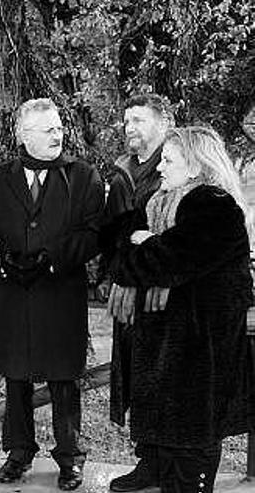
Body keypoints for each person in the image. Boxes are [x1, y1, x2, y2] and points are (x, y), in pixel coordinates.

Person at [107, 126, 254, 493]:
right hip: (172, 339)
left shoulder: (213, 206)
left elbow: (156, 262)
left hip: (199, 345)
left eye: (168, 160)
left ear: (195, 165)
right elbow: (127, 245)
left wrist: (141, 247)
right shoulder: (161, 203)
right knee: (168, 422)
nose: (159, 168)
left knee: (192, 434)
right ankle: (155, 468)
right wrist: (140, 246)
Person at [0, 98, 104, 491]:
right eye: (47, 129)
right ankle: (19, 452)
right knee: (15, 376)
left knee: (64, 377)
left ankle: (70, 456)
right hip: (12, 293)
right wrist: (3, 262)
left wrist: (52, 259)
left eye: (58, 128)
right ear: (23, 135)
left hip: (59, 291)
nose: (57, 134)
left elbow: (93, 231)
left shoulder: (82, 176)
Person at [101, 94, 175, 492]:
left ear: (164, 123)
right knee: (135, 375)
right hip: (127, 289)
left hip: (162, 291)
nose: (130, 127)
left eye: (140, 120)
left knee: (164, 375)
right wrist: (110, 274)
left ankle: (169, 461)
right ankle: (147, 459)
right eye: (127, 120)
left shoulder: (177, 163)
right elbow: (112, 229)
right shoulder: (121, 171)